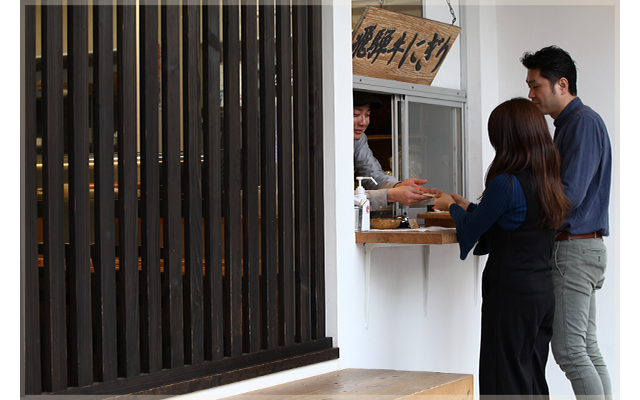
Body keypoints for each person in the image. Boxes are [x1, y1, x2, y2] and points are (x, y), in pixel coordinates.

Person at [433, 98, 571, 399]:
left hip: (510, 293)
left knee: (503, 378)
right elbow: (508, 220)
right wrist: (465, 205)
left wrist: (450, 207)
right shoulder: (548, 182)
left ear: (507, 137)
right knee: (531, 377)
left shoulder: (506, 183)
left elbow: (472, 229)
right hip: (542, 293)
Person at [521, 45, 612, 399]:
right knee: (586, 349)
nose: (530, 94)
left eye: (535, 85)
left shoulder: (581, 123)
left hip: (574, 250)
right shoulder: (570, 124)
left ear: (561, 84)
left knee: (571, 352)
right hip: (584, 247)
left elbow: (568, 196)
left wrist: (523, 211)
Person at [353, 91, 440, 210]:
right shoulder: (322, 144)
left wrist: (398, 186)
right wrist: (391, 195)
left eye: (367, 115)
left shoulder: (359, 139)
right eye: (356, 114)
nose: (363, 122)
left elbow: (374, 176)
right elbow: (336, 195)